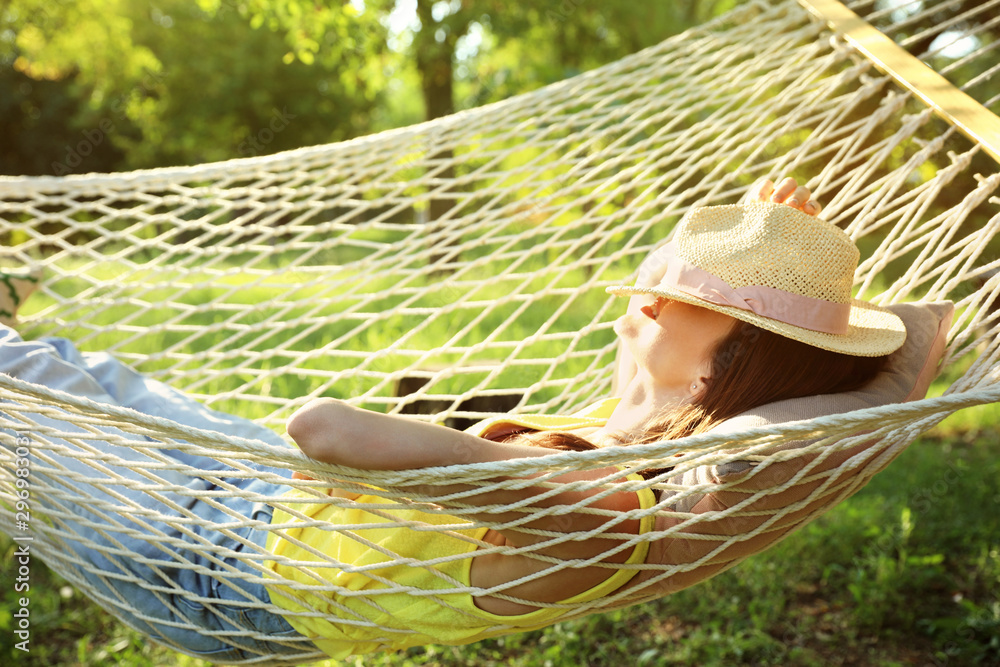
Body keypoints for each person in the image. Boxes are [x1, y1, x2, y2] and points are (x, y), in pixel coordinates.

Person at [0, 178, 907, 662]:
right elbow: (659, 359)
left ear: (717, 365)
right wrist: (771, 245)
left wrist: (455, 445)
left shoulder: (607, 514)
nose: (652, 297)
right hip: (252, 501)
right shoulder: (619, 432)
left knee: (22, 380)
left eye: (681, 299)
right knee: (65, 371)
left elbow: (323, 428)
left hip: (209, 569)